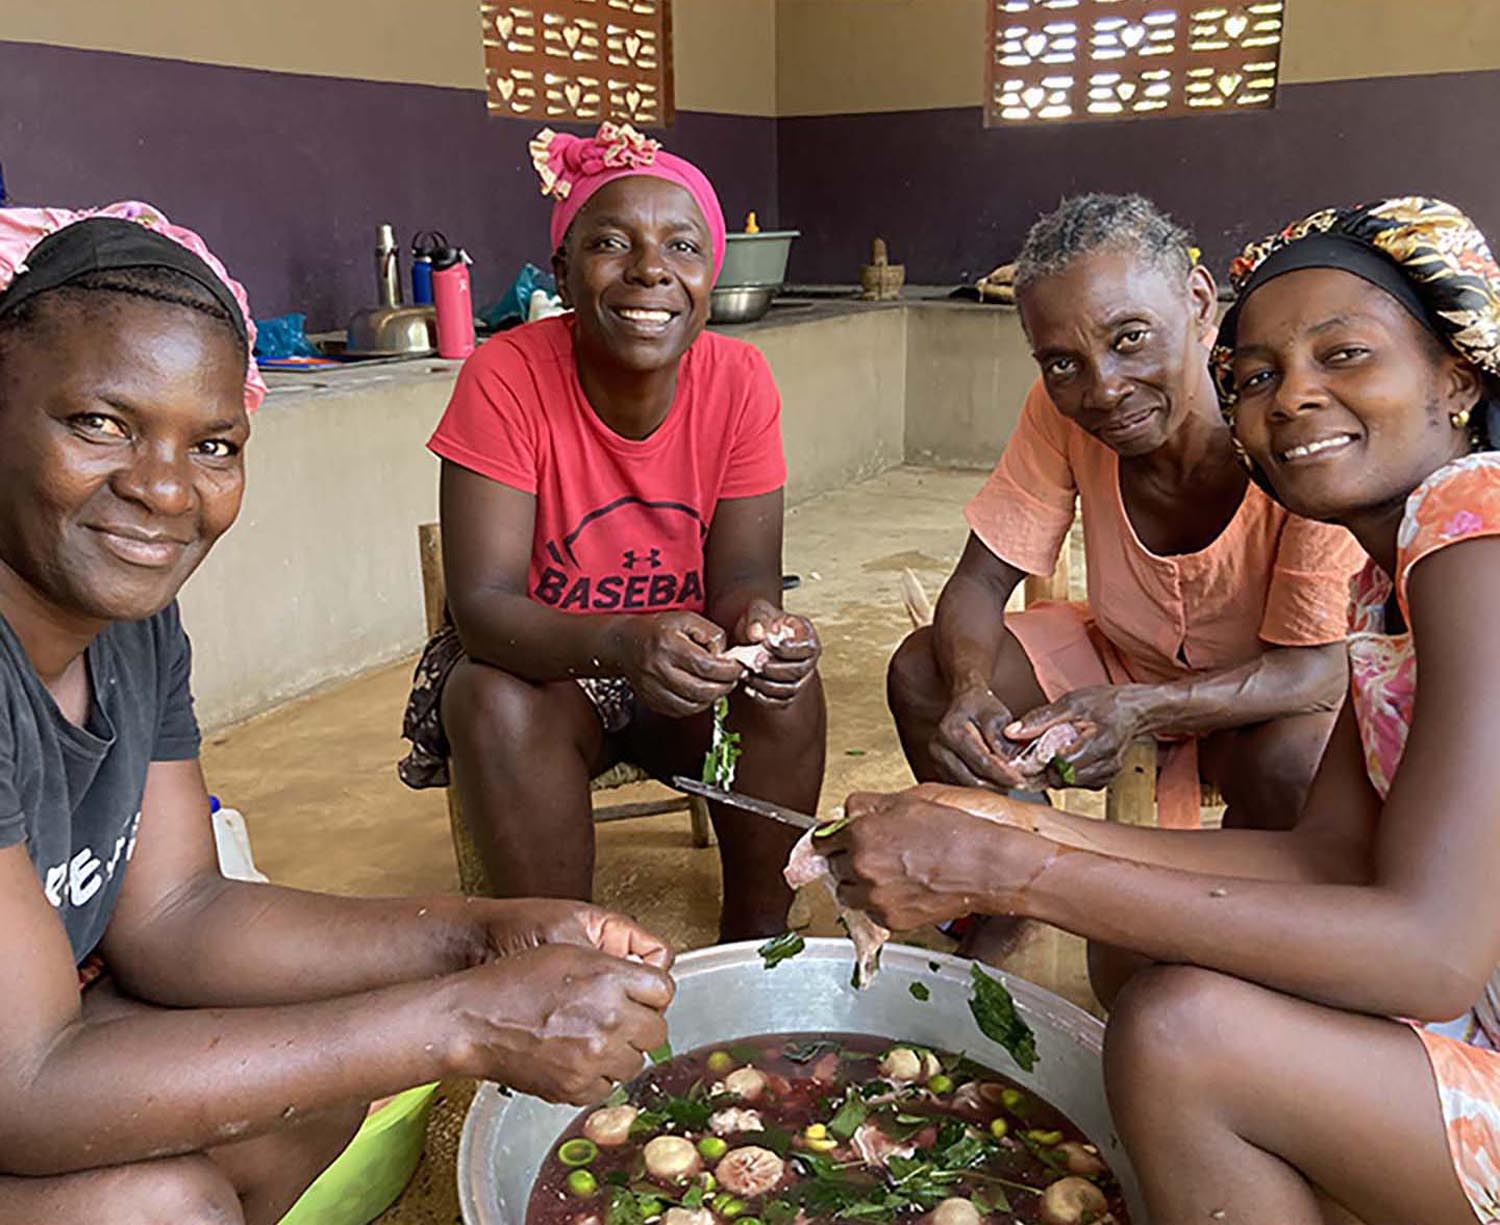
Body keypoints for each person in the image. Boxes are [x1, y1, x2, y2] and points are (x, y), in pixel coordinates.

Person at [824, 197, 1500, 1225]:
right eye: (1260, 375)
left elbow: (1430, 950)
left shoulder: (1473, 528)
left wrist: (1019, 867)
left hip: (1447, 966)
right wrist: (1005, 824)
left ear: (1457, 373)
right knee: (1167, 1005)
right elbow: (1327, 857)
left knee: (1179, 1031)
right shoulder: (1397, 571)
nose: (1291, 400)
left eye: (1345, 354)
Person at [0, 202, 674, 1224]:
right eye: (101, 423)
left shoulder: (131, 629)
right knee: (154, 1204)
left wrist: (484, 937)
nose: (165, 490)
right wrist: (463, 1023)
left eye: (214, 444)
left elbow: (178, 912)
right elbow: (28, 1083)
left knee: (314, 1085)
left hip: (43, 1035)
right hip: (23, 1068)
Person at [399, 123, 825, 941]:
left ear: (711, 274)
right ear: (561, 270)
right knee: (490, 699)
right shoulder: (507, 376)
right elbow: (483, 605)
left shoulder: (740, 382)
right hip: (547, 667)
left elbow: (743, 573)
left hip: (684, 665)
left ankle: (758, 948)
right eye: (610, 243)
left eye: (682, 246)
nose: (651, 270)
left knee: (784, 682)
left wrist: (761, 625)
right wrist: (625, 642)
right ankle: (567, 961)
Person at [888, 195, 1362, 837]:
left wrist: (1140, 709)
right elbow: (979, 581)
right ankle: (1023, 881)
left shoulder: (1294, 416)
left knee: (1294, 765)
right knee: (924, 674)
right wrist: (974, 689)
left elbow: (1315, 670)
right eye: (1063, 363)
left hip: (1268, 691)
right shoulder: (1057, 409)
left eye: (1130, 338)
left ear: (1199, 302)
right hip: (1124, 658)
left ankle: (1237, 919)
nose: (1103, 389)